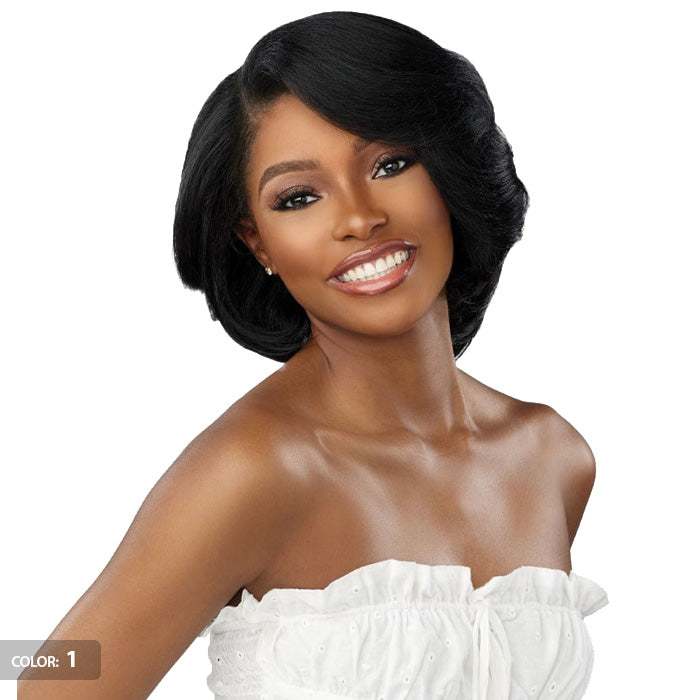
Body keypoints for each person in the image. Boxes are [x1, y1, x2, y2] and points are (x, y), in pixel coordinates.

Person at [18, 11, 608, 700]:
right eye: (299, 197)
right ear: (258, 244)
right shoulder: (255, 467)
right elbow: (53, 675)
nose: (358, 218)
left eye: (390, 164)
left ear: (448, 172)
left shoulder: (553, 457)